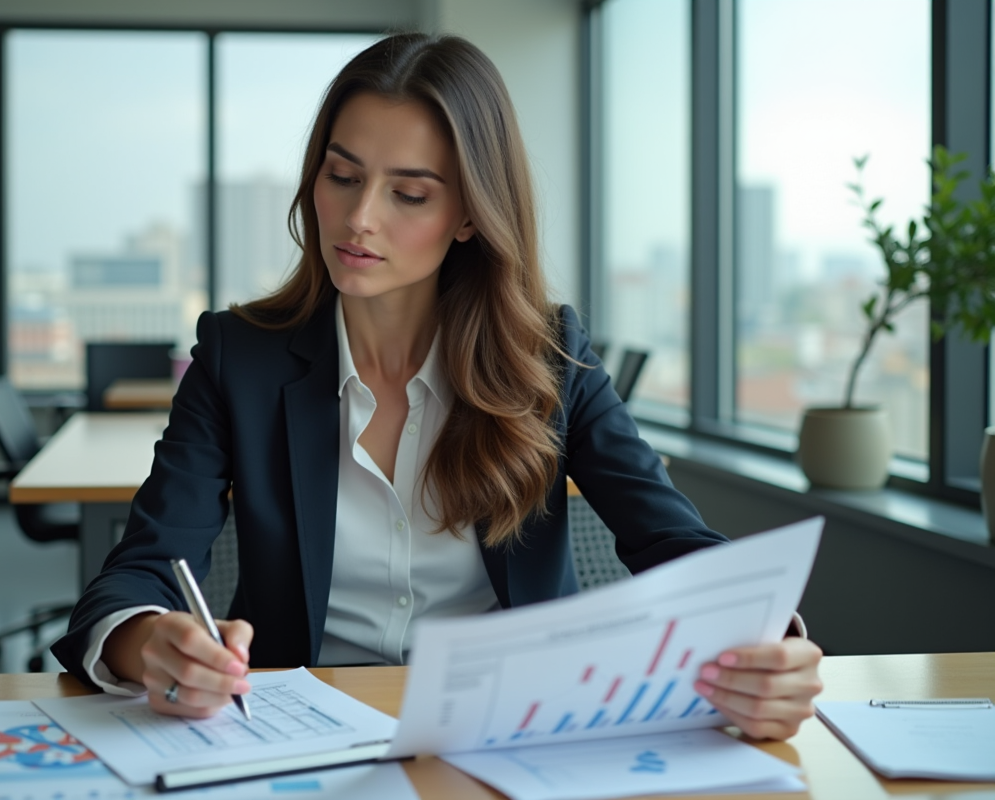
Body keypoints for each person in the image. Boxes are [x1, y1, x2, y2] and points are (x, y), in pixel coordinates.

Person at [51, 32, 823, 742]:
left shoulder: (549, 358)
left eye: (409, 194)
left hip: (517, 732)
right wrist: (147, 641)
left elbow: (675, 544)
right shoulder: (239, 357)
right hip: (294, 738)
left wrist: (768, 646)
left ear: (468, 215)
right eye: (342, 175)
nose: (358, 219)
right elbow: (141, 569)